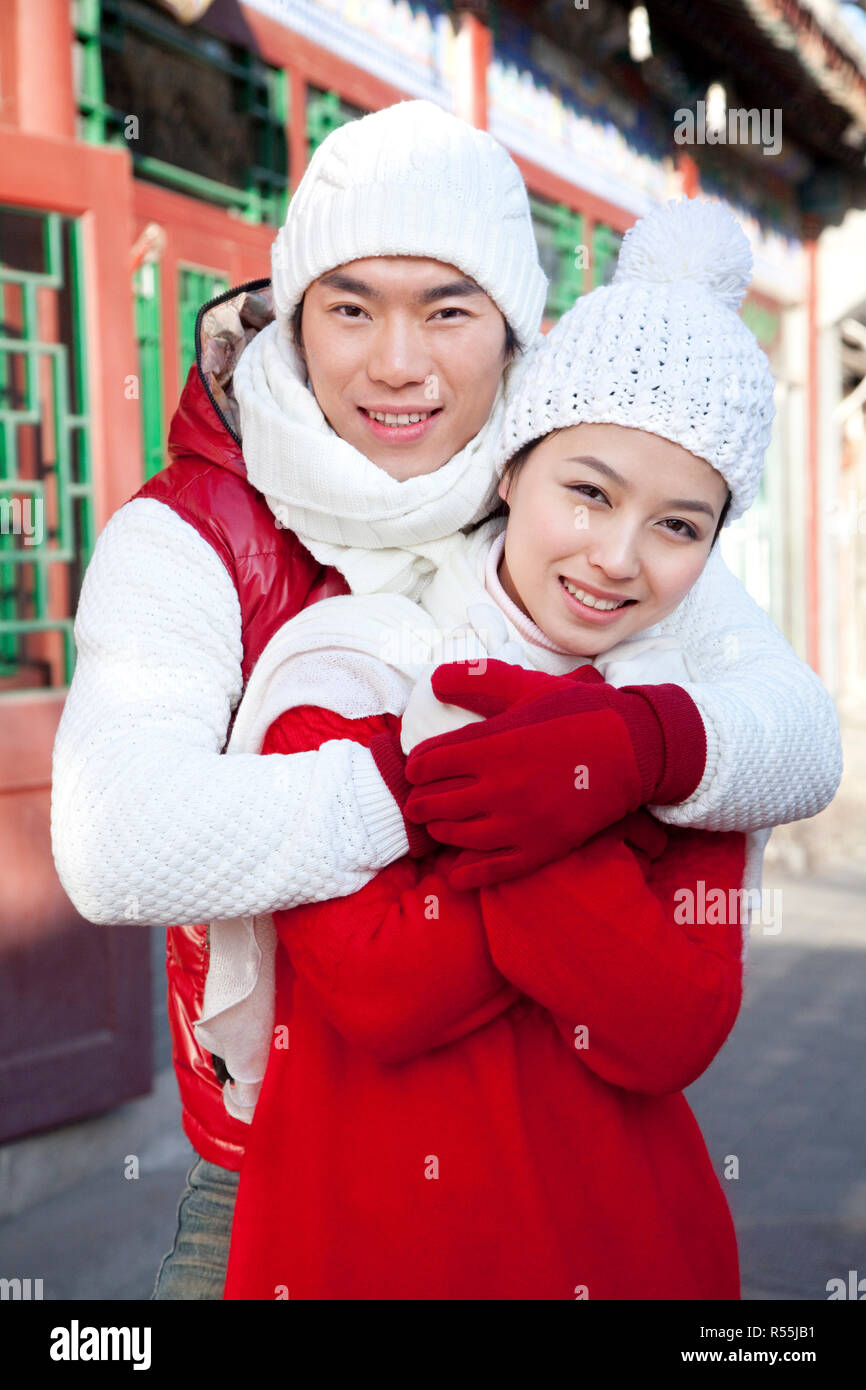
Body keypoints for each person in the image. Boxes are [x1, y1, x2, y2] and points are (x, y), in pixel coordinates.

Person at [48, 98, 841, 1301]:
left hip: (569, 1166)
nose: (398, 362)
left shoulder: (577, 489)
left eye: (448, 309)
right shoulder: (192, 532)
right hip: (278, 1175)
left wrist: (639, 743)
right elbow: (114, 845)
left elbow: (789, 726)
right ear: (295, 314)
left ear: (514, 332)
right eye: (351, 305)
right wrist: (422, 779)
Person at [221, 199, 806, 1300]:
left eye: (679, 525)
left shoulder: (691, 729)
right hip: (356, 1251)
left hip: (626, 1248)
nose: (618, 556)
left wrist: (583, 776)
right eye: (586, 491)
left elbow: (665, 1028)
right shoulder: (348, 667)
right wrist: (605, 829)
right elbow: (381, 989)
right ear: (509, 471)